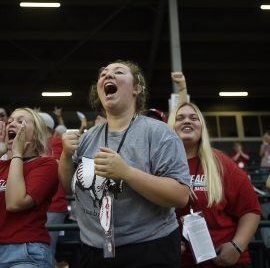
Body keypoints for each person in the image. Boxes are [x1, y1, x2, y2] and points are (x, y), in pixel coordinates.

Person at [58, 60, 190, 268]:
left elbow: (180, 196)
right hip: (93, 249)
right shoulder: (86, 139)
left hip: (149, 249)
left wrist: (127, 173)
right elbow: (67, 187)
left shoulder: (159, 133)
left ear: (137, 88)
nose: (107, 76)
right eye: (103, 74)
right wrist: (66, 155)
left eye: (118, 72)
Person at [168, 72, 261, 267]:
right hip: (178, 260)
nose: (187, 121)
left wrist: (237, 247)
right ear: (171, 127)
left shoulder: (221, 162)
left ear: (202, 127)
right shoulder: (160, 166)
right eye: (180, 118)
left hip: (224, 259)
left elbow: (251, 210)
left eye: (194, 118)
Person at [0, 107, 58, 267]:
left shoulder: (46, 164)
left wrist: (17, 154)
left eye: (20, 121)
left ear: (36, 134)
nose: (11, 124)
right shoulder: (1, 163)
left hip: (25, 253)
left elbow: (15, 203)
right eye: (10, 121)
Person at [39, 112, 68, 265]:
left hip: (54, 205)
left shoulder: (56, 142)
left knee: (47, 251)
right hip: (41, 205)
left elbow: (52, 167)